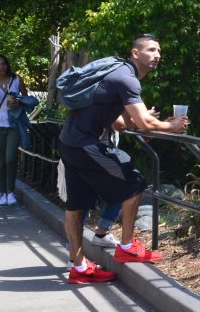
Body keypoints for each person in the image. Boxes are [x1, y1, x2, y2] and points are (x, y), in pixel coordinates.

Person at [58, 34, 187, 285]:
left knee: (76, 206)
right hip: (85, 143)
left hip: (70, 142)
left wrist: (148, 123)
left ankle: (80, 268)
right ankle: (126, 246)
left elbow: (118, 122)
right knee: (135, 183)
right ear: (135, 53)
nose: (157, 55)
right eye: (151, 50)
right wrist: (171, 127)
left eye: (159, 51)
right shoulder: (127, 78)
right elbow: (144, 122)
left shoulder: (117, 73)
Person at [0, 55, 28, 206]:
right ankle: (3, 193)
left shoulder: (16, 79)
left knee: (11, 159)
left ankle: (11, 192)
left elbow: (26, 99)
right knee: (1, 162)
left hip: (13, 125)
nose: (2, 67)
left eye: (3, 64)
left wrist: (18, 102)